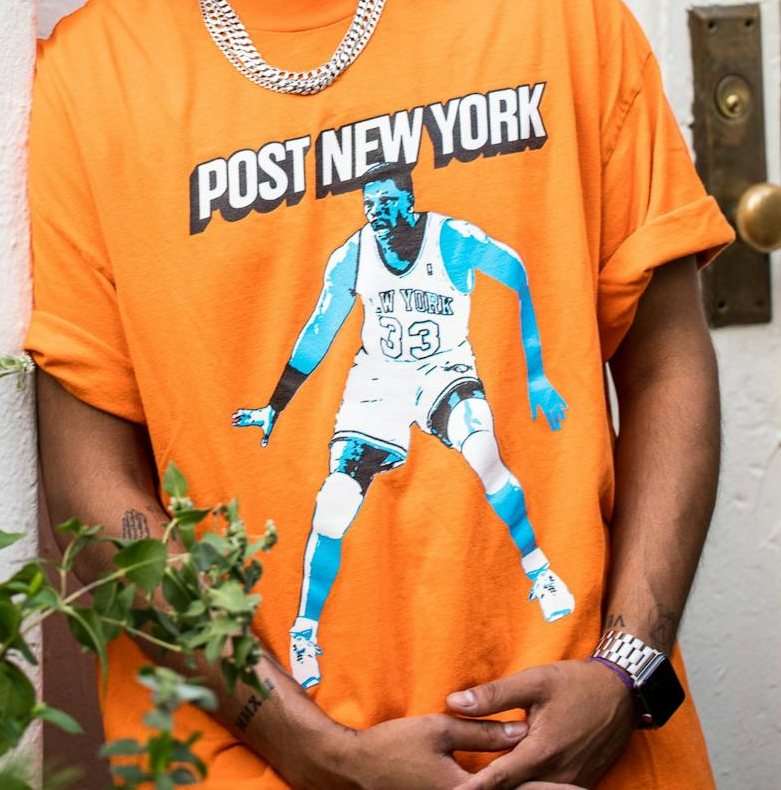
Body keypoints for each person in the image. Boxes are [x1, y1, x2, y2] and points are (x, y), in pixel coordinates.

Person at [27, 0, 733, 789]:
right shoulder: (90, 79)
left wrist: (626, 669)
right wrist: (319, 751)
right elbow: (95, 484)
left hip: (577, 747)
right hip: (247, 763)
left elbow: (668, 359)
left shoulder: (547, 9)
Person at [233, 160, 575, 693]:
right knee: (334, 501)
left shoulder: (453, 239)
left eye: (386, 202)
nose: (376, 212)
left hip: (444, 367)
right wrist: (276, 405)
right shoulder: (352, 255)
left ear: (409, 202)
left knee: (484, 454)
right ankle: (304, 632)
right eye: (368, 204)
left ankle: (540, 572)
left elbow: (516, 274)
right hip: (379, 379)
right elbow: (320, 328)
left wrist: (536, 375)